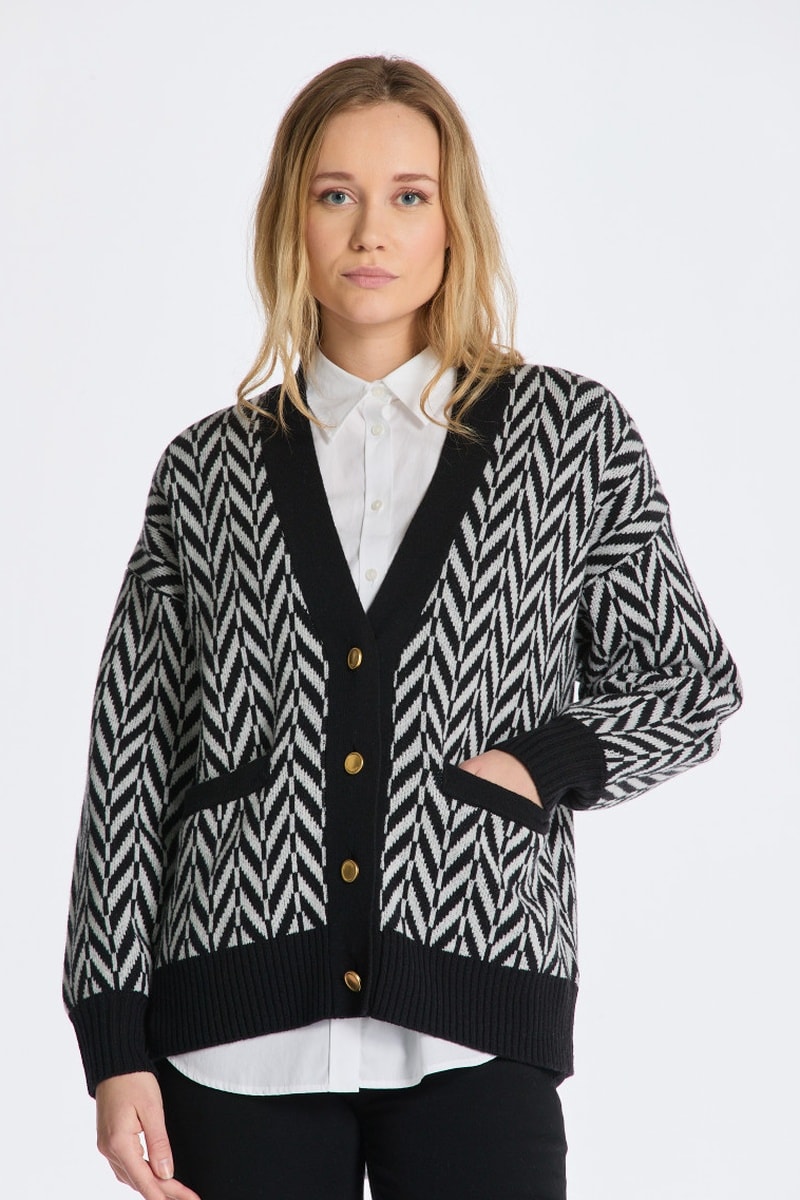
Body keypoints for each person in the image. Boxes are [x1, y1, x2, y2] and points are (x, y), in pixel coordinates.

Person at [63, 55, 742, 1200]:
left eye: (407, 195)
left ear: (450, 219)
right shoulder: (207, 471)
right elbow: (130, 757)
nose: (369, 230)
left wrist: (538, 764)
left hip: (476, 1002)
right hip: (232, 1026)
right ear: (291, 219)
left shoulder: (565, 437)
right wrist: (112, 1040)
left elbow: (685, 681)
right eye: (334, 194)